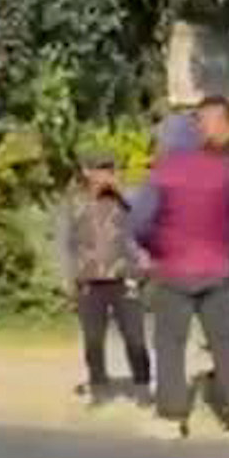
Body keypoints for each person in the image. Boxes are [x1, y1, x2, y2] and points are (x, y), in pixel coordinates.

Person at [129, 101, 229, 437]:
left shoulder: (161, 174)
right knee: (226, 341)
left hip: (173, 270)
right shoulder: (225, 170)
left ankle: (172, 417)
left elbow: (139, 222)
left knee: (171, 342)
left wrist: (155, 246)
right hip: (217, 268)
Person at [53, 149, 151, 407]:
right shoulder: (73, 202)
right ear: (86, 171)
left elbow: (145, 216)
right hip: (89, 280)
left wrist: (119, 189)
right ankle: (99, 389)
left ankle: (142, 387)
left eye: (109, 168)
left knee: (135, 338)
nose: (105, 173)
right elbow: (63, 243)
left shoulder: (125, 197)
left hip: (124, 277)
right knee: (93, 340)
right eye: (99, 168)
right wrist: (66, 278)